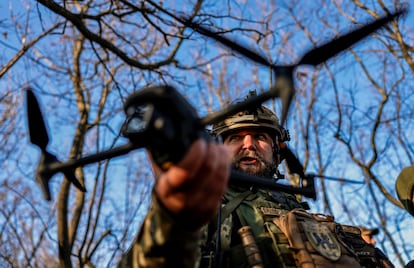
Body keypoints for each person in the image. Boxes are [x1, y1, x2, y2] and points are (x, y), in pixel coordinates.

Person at [119, 91, 394, 268]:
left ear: (277, 150)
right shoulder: (204, 204)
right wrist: (173, 218)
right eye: (236, 137)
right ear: (218, 148)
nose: (248, 144)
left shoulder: (305, 214)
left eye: (260, 137)